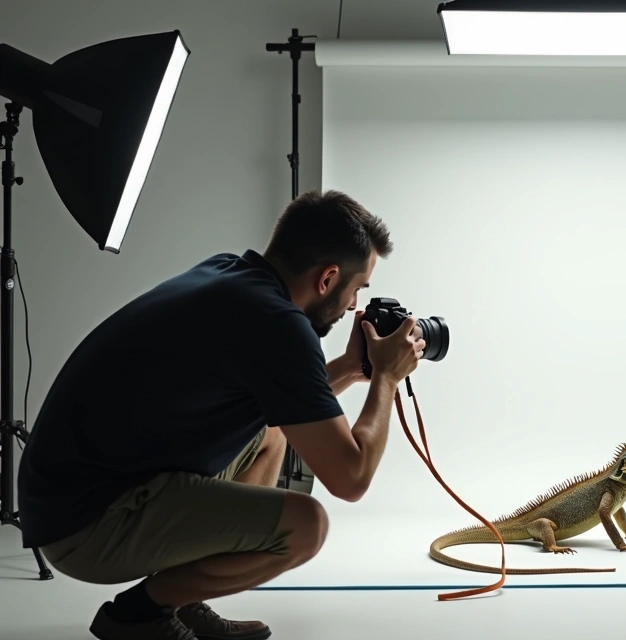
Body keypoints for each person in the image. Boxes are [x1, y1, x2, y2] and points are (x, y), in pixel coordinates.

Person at [17, 189, 424, 640]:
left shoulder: (232, 275)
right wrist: (386, 376)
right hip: (84, 526)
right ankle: (139, 614)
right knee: (307, 526)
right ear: (328, 278)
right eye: (357, 288)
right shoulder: (277, 325)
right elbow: (351, 478)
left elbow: (283, 401)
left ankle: (183, 598)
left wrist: (350, 368)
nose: (353, 306)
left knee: (273, 433)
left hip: (68, 496)